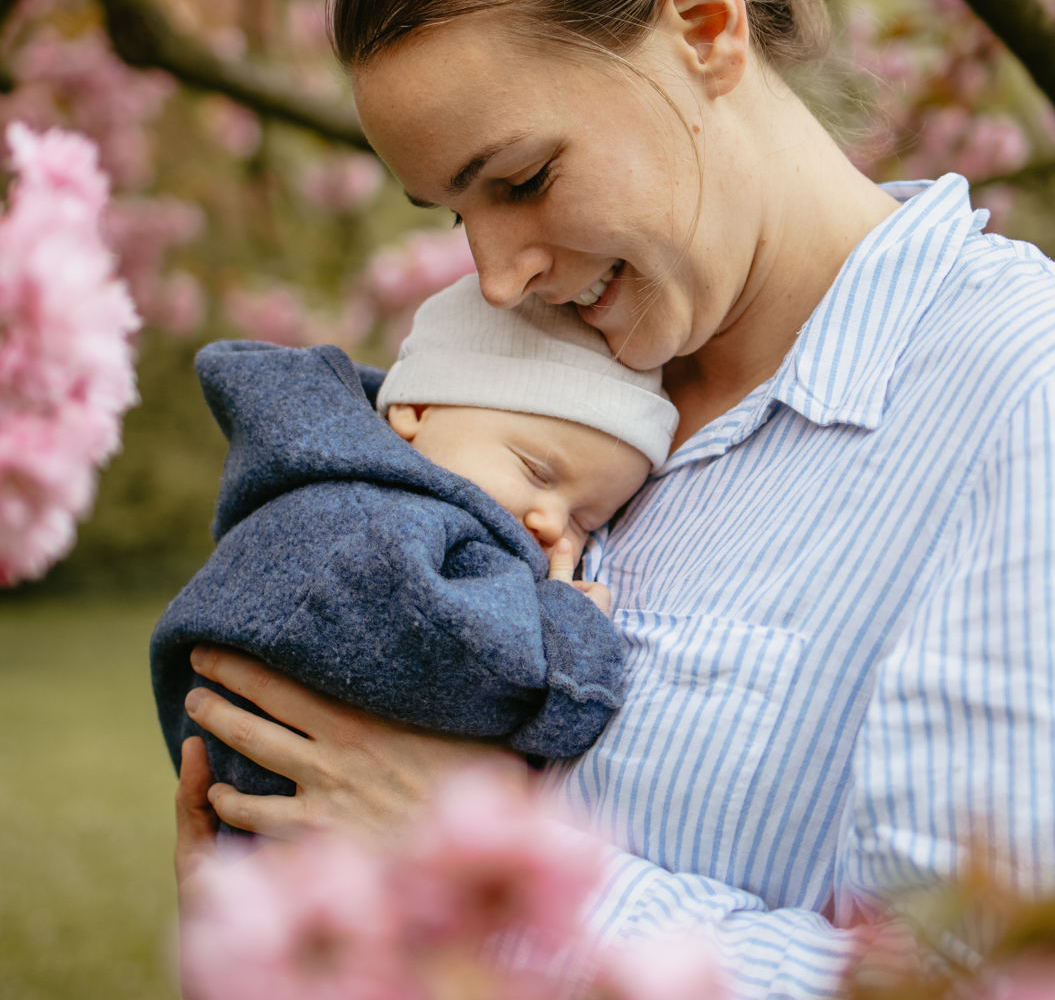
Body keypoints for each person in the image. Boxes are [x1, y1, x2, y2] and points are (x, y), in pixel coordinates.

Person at [176, 0, 1055, 1000]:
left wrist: (492, 875)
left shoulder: (1023, 400)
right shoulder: (543, 405)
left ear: (704, 27)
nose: (494, 273)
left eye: (522, 179)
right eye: (452, 212)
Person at [153, 274, 676, 803]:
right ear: (417, 410)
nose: (551, 523)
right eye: (536, 471)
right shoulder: (378, 523)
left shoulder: (349, 483)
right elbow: (467, 658)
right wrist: (571, 640)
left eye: (584, 519)